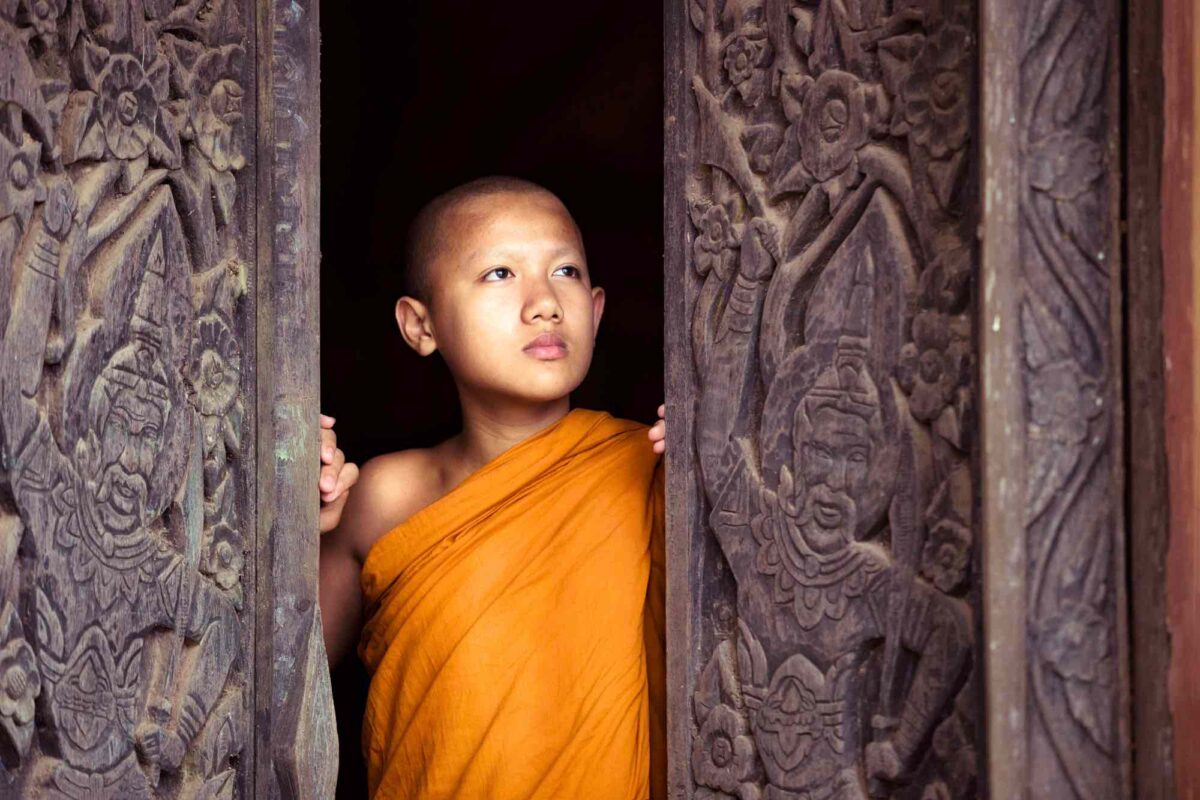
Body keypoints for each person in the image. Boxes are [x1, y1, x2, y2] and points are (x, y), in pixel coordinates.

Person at [313, 176, 667, 800]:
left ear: (598, 309)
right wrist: (286, 515)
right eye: (500, 274)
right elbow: (274, 674)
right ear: (420, 326)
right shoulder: (386, 496)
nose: (545, 303)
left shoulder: (650, 464)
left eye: (567, 272)